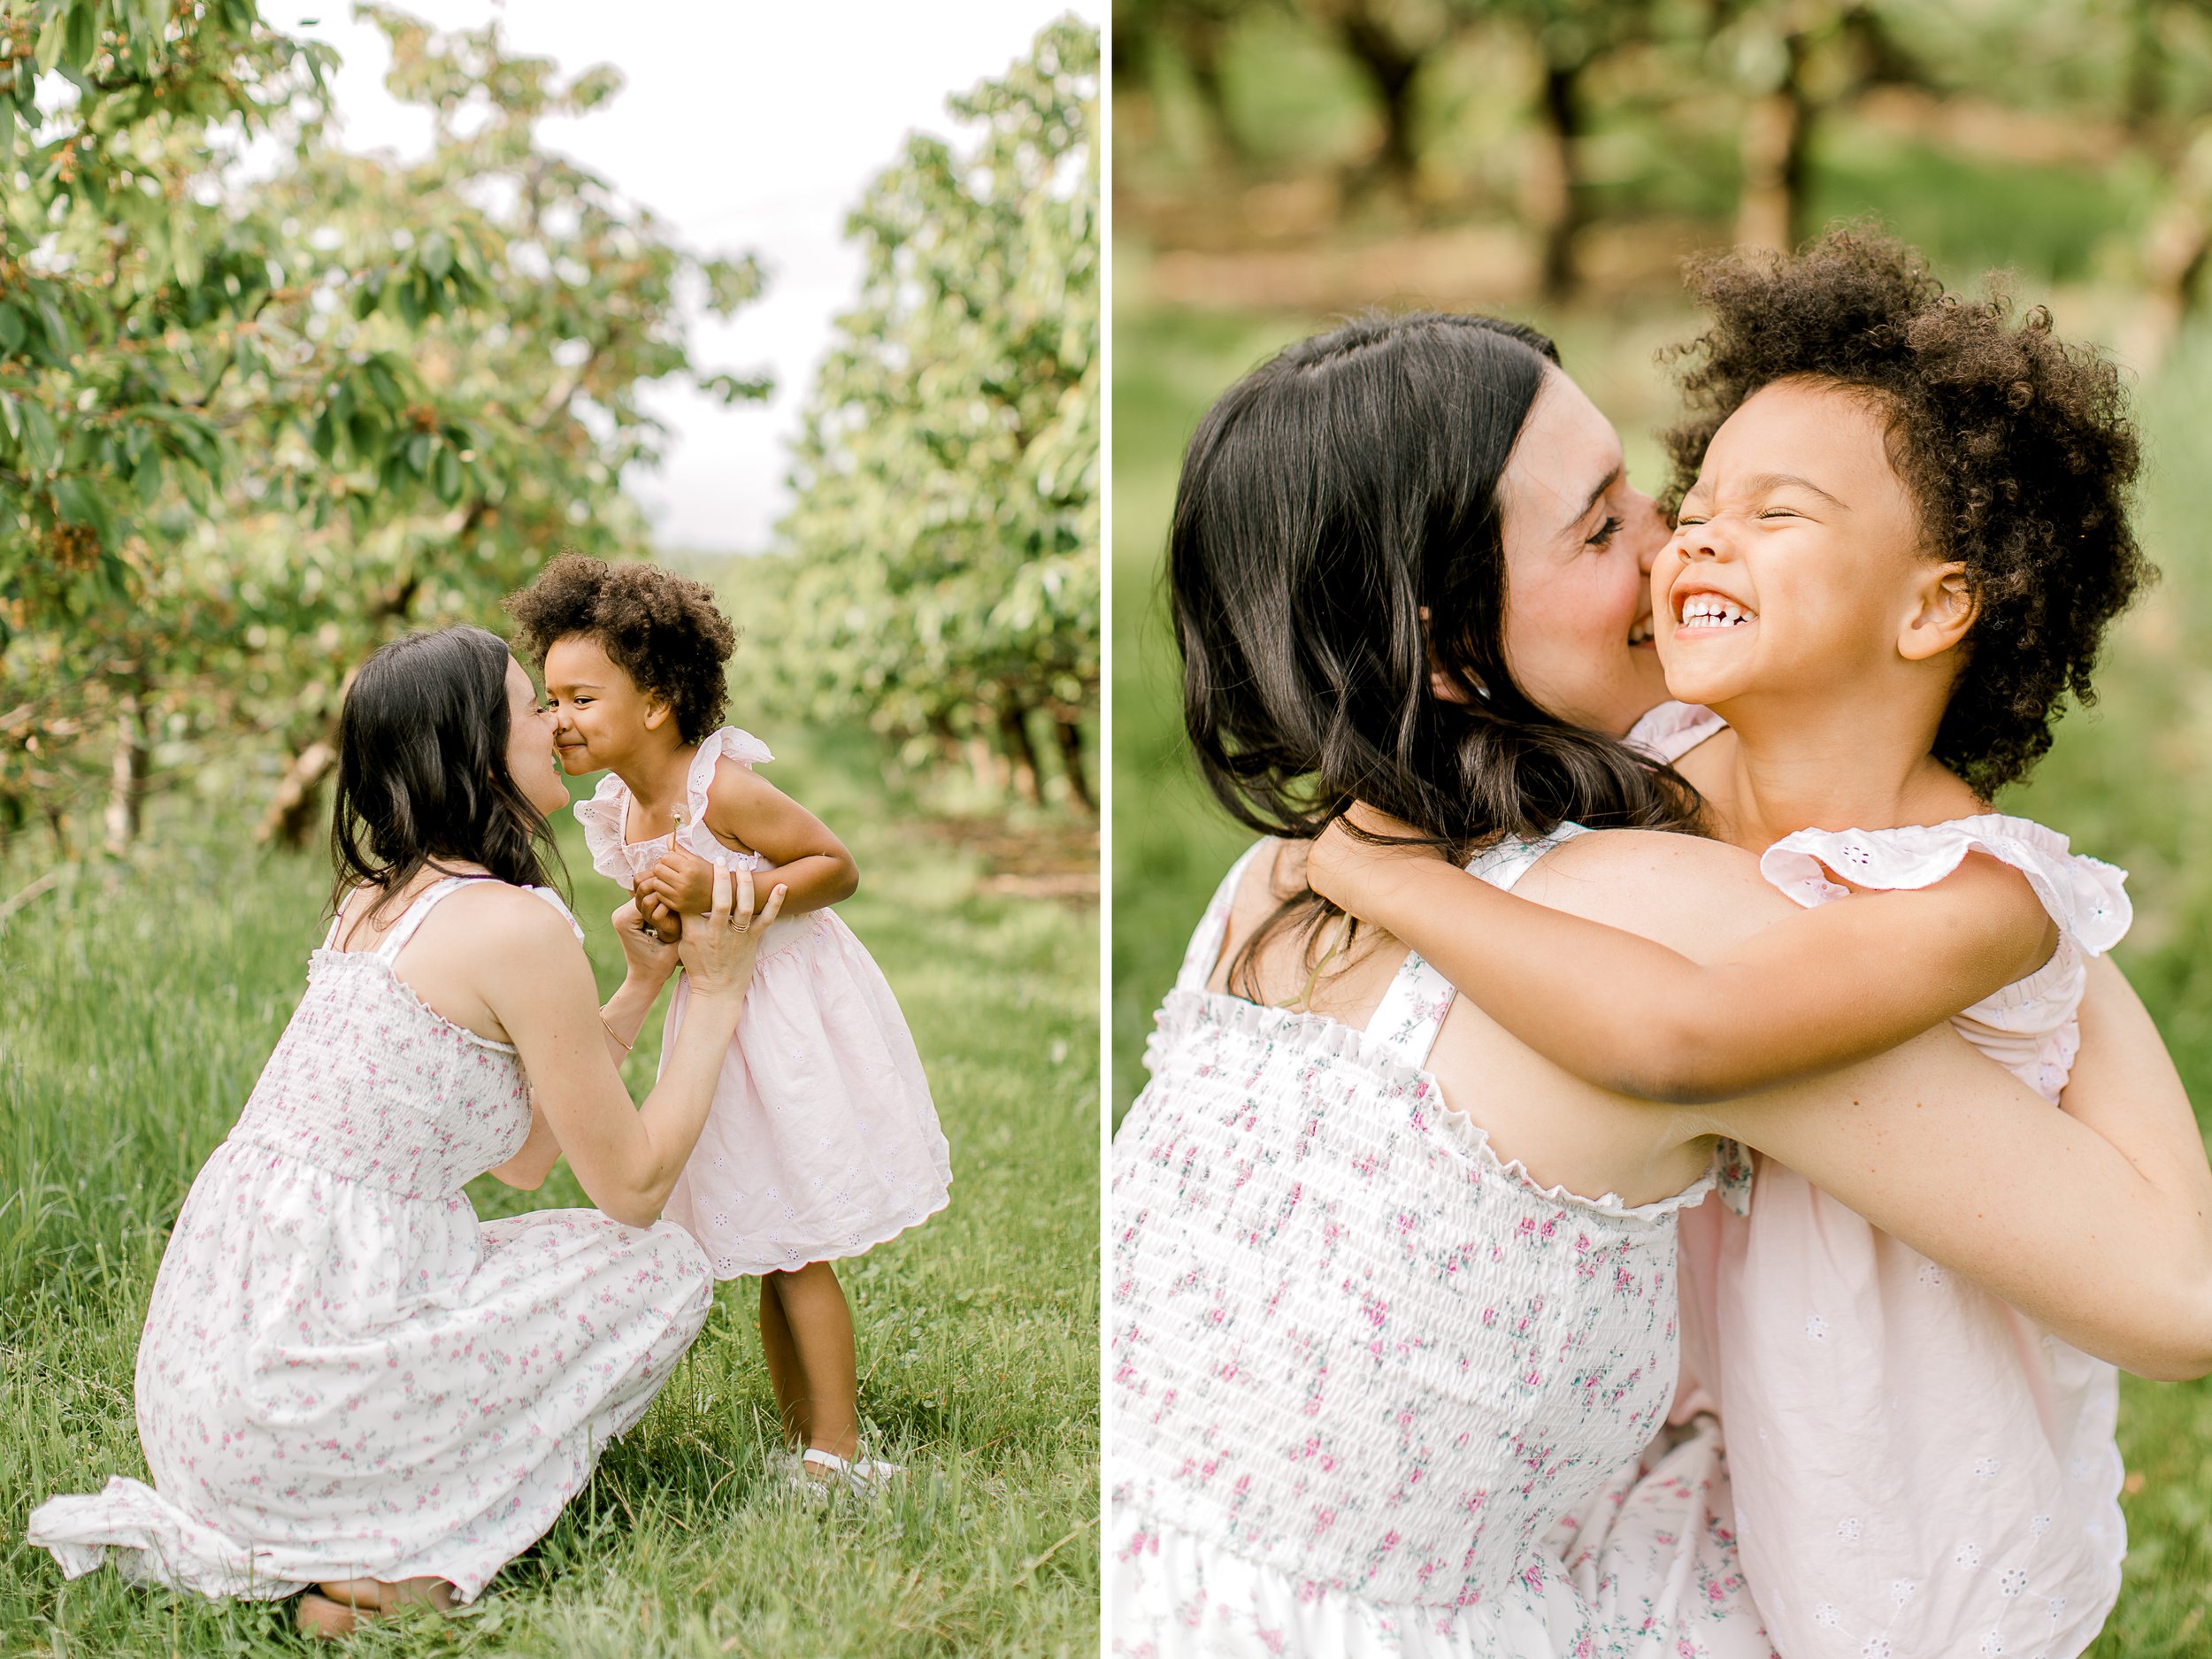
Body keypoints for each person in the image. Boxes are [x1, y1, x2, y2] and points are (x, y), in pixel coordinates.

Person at [1108, 300, 2212, 1657]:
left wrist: (2030, 913)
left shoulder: (1282, 881)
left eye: (1651, 495)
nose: (1672, 540)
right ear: (1446, 630)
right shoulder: (1665, 872)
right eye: (1604, 523)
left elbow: (2179, 1291)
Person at [29, 624, 782, 1636]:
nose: (559, 725)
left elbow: (522, 1158)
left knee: (564, 1251)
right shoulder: (515, 926)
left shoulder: (371, 900)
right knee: (662, 1264)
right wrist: (719, 989)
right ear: (479, 753)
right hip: (294, 1403)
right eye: (533, 709)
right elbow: (635, 1187)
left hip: (207, 1405)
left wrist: (639, 989)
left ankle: (320, 1544)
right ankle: (397, 1558)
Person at [508, 555, 950, 1491]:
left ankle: (835, 1452)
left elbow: (834, 866)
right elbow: (681, 918)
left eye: (581, 697)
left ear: (659, 699)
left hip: (785, 1018)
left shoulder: (723, 789)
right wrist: (665, 921)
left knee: (799, 1245)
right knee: (764, 1237)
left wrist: (723, 884)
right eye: (550, 702)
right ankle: (805, 1440)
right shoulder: (619, 814)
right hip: (716, 1026)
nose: (559, 722)